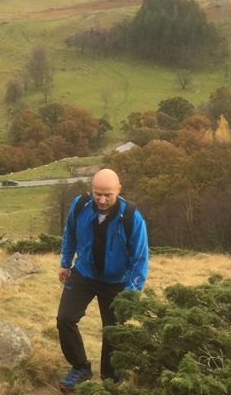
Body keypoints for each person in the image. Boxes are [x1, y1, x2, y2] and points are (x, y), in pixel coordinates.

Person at [56, 168, 149, 391]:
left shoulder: (131, 217)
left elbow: (140, 257)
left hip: (117, 281)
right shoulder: (80, 206)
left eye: (108, 194)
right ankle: (80, 367)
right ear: (92, 189)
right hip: (84, 273)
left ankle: (109, 379)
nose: (102, 199)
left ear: (119, 190)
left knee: (112, 331)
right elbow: (70, 233)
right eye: (98, 193)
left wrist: (132, 292)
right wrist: (65, 262)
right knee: (65, 319)